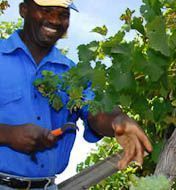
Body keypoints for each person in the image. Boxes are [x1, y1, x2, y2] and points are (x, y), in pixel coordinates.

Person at [0, 0, 153, 189]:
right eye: (46, 10)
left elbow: (96, 113)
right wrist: (7, 134)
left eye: (63, 14)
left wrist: (117, 121)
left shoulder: (72, 73)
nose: (55, 20)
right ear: (23, 10)